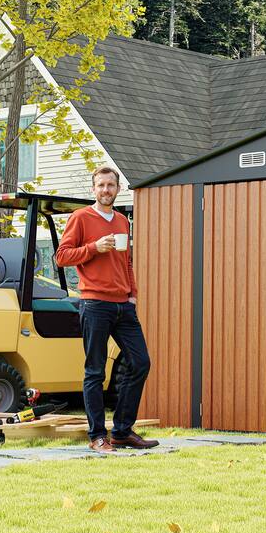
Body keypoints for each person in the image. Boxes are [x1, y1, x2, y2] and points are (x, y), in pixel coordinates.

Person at [56, 166, 158, 453]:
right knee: (95, 372)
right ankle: (97, 436)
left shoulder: (124, 221)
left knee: (140, 363)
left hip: (123, 306)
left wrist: (133, 293)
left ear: (118, 188)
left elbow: (127, 262)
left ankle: (123, 431)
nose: (105, 190)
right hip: (94, 304)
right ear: (93, 189)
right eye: (100, 185)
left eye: (110, 185)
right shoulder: (81, 218)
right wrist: (94, 247)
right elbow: (62, 256)